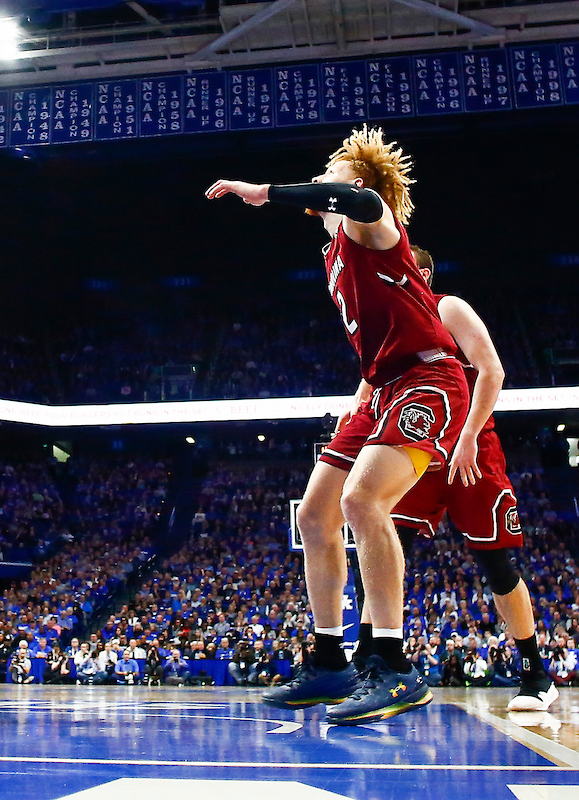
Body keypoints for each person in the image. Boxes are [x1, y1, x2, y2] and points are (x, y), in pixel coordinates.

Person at [208, 126, 468, 725]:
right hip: (379, 386)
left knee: (363, 501)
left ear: (352, 181)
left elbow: (359, 201)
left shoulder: (374, 227)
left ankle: (392, 664)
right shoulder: (333, 251)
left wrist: (261, 191)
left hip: (427, 380)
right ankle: (330, 660)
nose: (321, 178)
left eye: (329, 171)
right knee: (313, 514)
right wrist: (359, 401)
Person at [380, 246, 556, 712]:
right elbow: (374, 383)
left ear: (418, 272)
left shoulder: (447, 307)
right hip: (416, 450)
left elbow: (492, 371)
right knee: (385, 548)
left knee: (498, 567)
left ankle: (536, 673)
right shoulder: (388, 325)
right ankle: (380, 664)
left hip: (468, 449)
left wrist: (469, 436)